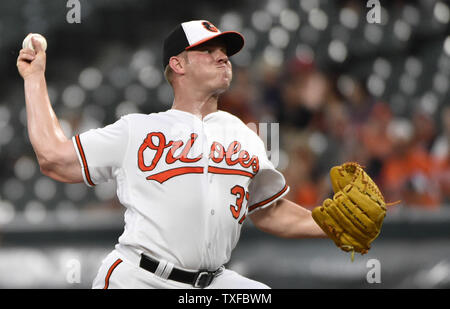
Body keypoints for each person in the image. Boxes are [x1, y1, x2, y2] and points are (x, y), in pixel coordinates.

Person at [17, 20, 327, 289]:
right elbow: (54, 157)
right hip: (139, 277)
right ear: (178, 65)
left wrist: (330, 225)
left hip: (214, 281)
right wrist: (34, 79)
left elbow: (269, 211)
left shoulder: (245, 136)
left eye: (225, 52)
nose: (223, 57)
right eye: (208, 51)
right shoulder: (137, 131)